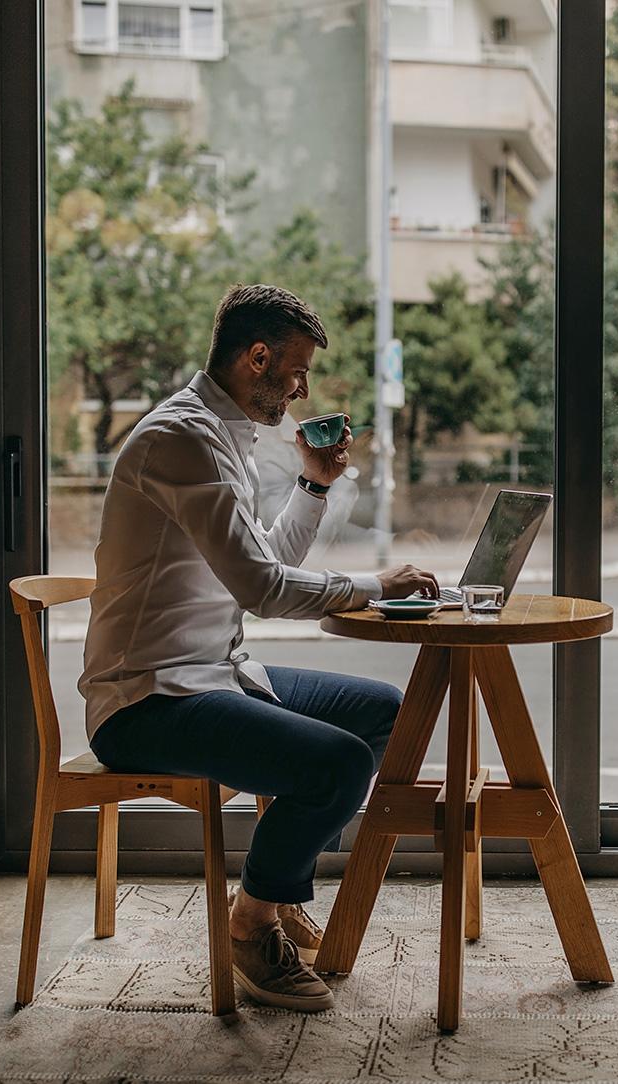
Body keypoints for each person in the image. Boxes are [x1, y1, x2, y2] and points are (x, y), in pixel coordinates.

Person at [79, 283, 439, 1013]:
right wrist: (376, 584)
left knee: (383, 713)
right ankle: (251, 925)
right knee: (334, 763)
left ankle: (271, 885)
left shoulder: (222, 436)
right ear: (257, 357)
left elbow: (261, 560)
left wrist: (313, 486)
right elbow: (266, 590)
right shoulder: (181, 440)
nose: (303, 388)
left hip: (216, 675)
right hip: (146, 699)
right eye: (297, 370)